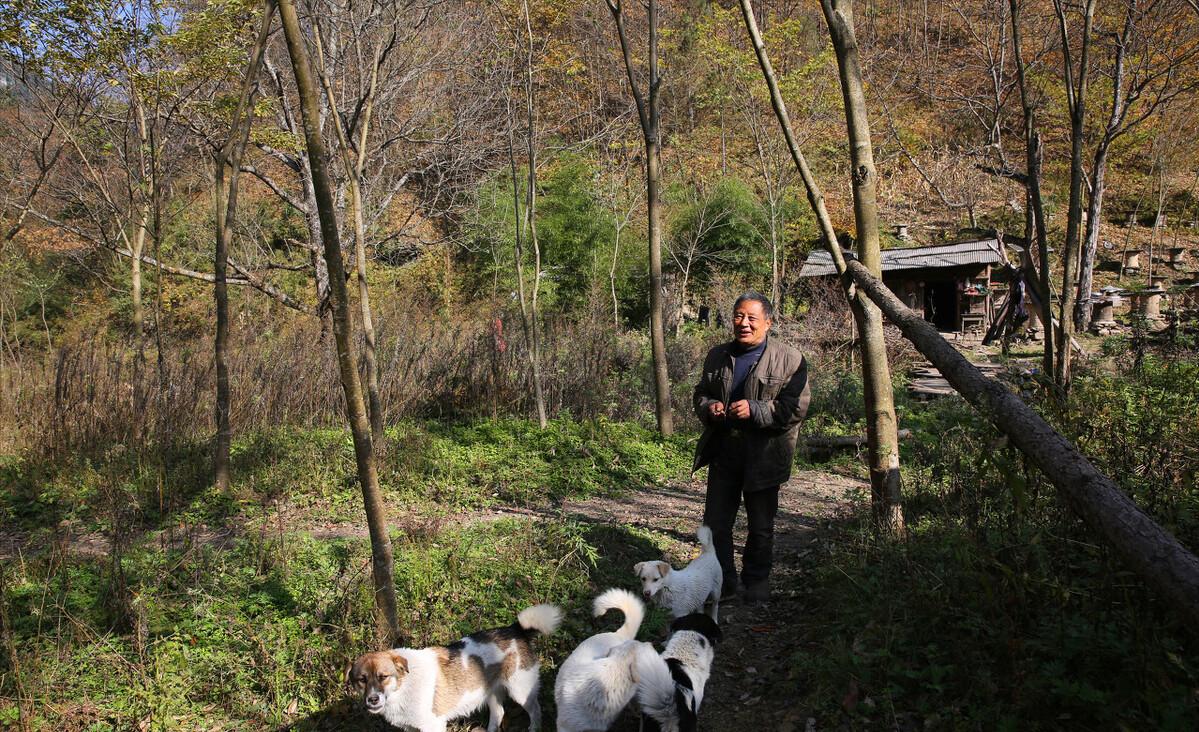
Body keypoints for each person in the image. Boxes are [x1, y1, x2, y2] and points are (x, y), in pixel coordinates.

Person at [692, 292, 810, 604]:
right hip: (724, 453)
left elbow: (794, 409)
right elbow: (700, 394)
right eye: (738, 316)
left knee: (761, 526)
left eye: (751, 318)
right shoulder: (717, 355)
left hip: (765, 455)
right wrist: (710, 407)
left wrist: (755, 410)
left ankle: (757, 581)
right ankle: (724, 583)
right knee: (716, 524)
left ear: (768, 323)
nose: (743, 324)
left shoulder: (791, 360)